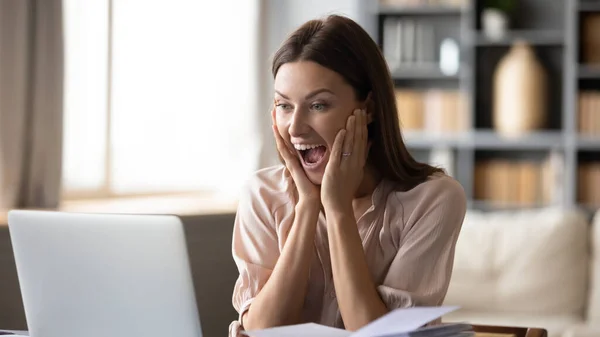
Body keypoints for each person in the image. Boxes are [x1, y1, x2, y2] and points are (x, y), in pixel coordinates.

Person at [229, 14, 466, 337]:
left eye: (318, 105)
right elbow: (262, 330)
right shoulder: (263, 193)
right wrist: (307, 207)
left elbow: (379, 334)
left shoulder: (433, 199)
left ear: (367, 109)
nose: (296, 128)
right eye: (284, 106)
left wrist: (337, 207)